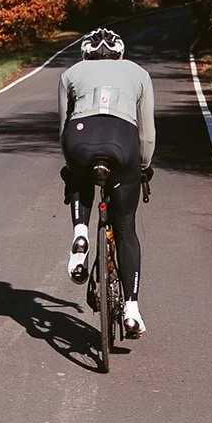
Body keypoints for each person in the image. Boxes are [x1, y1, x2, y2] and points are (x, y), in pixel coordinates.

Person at [58, 27, 155, 337]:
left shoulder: (71, 74)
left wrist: (71, 163)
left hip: (80, 136)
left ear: (85, 53)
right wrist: (143, 167)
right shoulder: (138, 73)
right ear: (120, 54)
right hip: (123, 141)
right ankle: (132, 310)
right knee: (126, 230)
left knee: (78, 172)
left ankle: (80, 235)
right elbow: (147, 133)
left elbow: (63, 128)